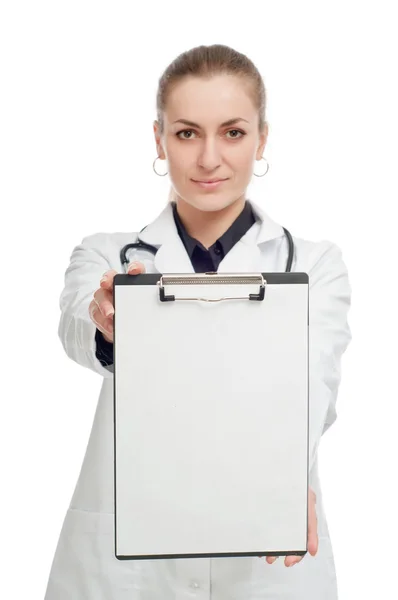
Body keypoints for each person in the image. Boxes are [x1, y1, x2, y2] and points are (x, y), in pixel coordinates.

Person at [44, 44, 352, 600]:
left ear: (262, 138)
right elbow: (76, 328)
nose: (209, 158)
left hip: (266, 561)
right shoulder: (107, 256)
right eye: (187, 133)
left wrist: (282, 477)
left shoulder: (312, 264)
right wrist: (108, 323)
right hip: (124, 569)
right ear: (159, 139)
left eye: (232, 132)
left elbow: (315, 382)